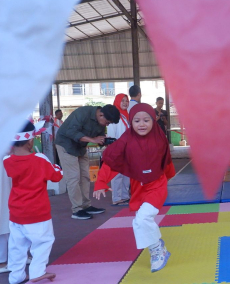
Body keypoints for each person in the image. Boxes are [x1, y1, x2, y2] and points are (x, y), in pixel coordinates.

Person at [93, 103, 176, 272]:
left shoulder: (159, 137)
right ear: (131, 122)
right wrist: (101, 182)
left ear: (153, 121)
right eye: (137, 121)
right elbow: (112, 159)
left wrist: (168, 176)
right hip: (139, 186)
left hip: (157, 185)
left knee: (142, 220)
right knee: (140, 222)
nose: (142, 124)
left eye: (146, 120)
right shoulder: (126, 140)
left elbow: (166, 160)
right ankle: (157, 245)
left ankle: (157, 250)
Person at [4, 121, 64, 284]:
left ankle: (16, 275)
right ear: (31, 141)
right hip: (37, 211)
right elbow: (56, 175)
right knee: (43, 241)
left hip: (16, 212)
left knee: (17, 245)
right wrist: (57, 167)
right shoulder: (39, 159)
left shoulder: (7, 161)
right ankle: (37, 271)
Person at [55, 105, 120, 219]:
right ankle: (77, 209)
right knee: (73, 177)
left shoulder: (101, 123)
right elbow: (71, 132)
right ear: (101, 115)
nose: (107, 125)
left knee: (85, 176)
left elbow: (98, 136)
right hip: (66, 145)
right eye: (107, 122)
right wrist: (93, 140)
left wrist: (103, 140)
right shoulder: (83, 113)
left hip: (80, 147)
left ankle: (86, 205)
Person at [107, 94, 131, 206]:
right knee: (117, 175)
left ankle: (125, 196)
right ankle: (116, 198)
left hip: (127, 149)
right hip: (117, 149)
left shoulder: (127, 116)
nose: (125, 103)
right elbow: (111, 135)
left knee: (126, 173)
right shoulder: (114, 116)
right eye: (122, 101)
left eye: (126, 101)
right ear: (117, 101)